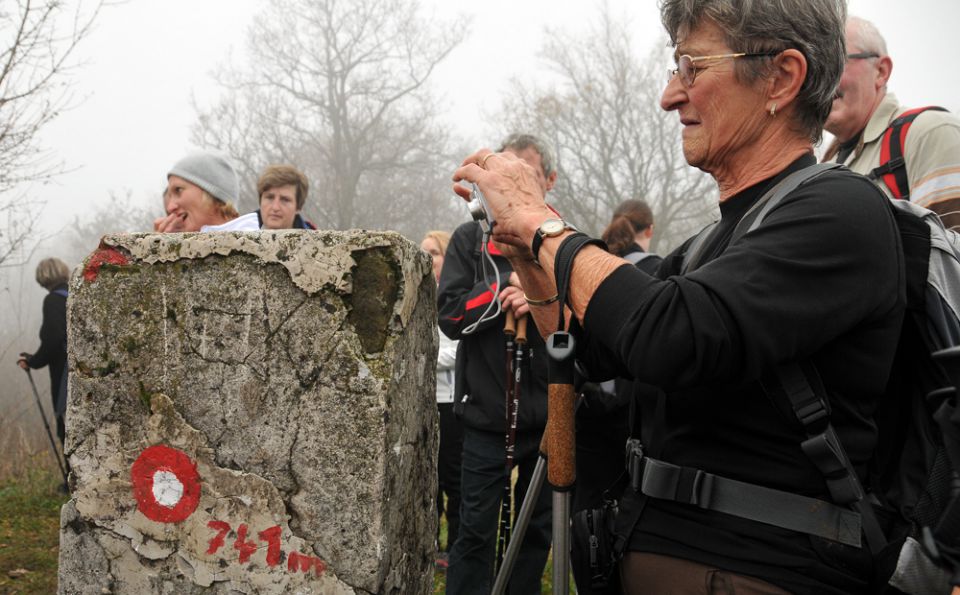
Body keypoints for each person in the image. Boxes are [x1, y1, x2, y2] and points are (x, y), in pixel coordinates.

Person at [452, 1, 905, 593]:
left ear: (782, 77)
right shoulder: (708, 244)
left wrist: (541, 223)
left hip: (754, 571)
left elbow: (673, 337)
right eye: (675, 70)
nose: (670, 96)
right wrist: (524, 252)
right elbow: (589, 350)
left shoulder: (844, 212)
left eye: (693, 68)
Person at [439, 133, 557, 594]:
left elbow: (586, 323)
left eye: (525, 176)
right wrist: (501, 290)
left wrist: (543, 299)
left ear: (547, 181)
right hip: (486, 413)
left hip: (549, 416)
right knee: (473, 530)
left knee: (535, 531)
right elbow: (449, 316)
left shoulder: (564, 239)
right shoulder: (470, 240)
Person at [823, 16, 960, 228]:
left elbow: (953, 255)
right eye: (816, 67)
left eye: (836, 63)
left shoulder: (929, 132)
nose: (822, 80)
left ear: (881, 71)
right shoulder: (824, 167)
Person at [421, 230, 461, 569]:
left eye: (433, 252)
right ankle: (428, 545)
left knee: (453, 479)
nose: (427, 258)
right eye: (423, 252)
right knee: (426, 479)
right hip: (421, 402)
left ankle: (456, 548)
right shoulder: (414, 296)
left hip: (451, 402)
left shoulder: (453, 296)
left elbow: (460, 350)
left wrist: (423, 355)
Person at [18, 258, 71, 457]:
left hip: (64, 373)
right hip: (83, 369)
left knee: (65, 426)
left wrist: (33, 361)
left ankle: (71, 483)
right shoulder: (75, 294)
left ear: (43, 277)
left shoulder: (52, 301)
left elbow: (53, 339)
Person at [153, 151, 259, 232]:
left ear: (213, 194)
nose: (170, 207)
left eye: (178, 190)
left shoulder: (258, 251)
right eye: (170, 196)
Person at [255, 165, 318, 230]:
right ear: (260, 201)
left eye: (285, 200)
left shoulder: (318, 239)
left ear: (298, 207)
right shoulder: (244, 233)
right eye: (270, 198)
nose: (275, 207)